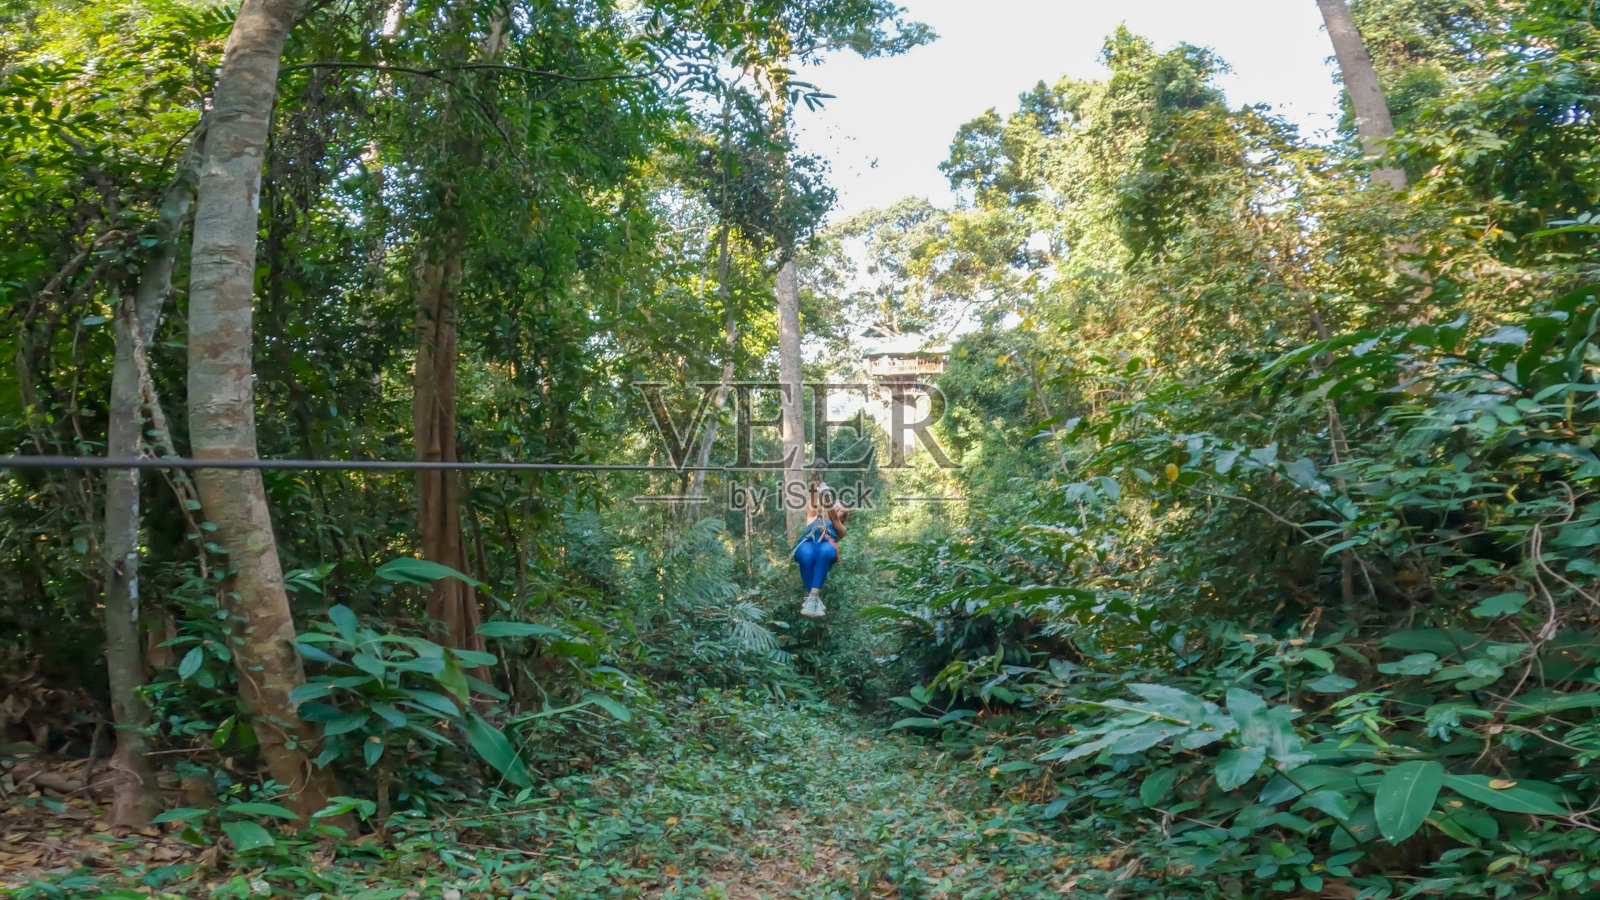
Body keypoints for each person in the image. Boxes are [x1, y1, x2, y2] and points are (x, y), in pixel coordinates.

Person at [794, 467, 848, 618]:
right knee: (806, 555)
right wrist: (813, 476)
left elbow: (834, 518)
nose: (837, 508)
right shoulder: (814, 516)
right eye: (836, 505)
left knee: (824, 552)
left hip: (826, 545)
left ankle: (813, 597)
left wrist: (827, 498)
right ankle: (814, 598)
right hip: (808, 542)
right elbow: (812, 497)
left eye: (840, 509)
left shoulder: (841, 528)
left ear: (843, 517)